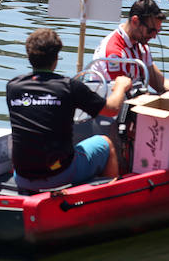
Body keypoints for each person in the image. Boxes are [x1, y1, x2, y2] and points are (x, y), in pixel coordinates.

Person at [7, 28, 132, 191]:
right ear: (56, 58)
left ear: (29, 56)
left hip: (22, 176)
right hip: (59, 175)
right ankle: (110, 196)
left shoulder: (13, 87)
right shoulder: (69, 87)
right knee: (105, 144)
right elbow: (112, 109)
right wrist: (120, 86)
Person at [91, 0, 169, 97]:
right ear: (135, 21)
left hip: (135, 102)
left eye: (157, 31)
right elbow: (121, 95)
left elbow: (159, 83)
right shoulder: (113, 52)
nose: (154, 36)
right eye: (151, 30)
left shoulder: (141, 45)